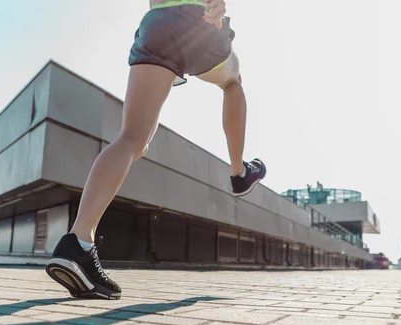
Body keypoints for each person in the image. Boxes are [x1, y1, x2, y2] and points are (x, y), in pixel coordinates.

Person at [45, 0, 267, 300]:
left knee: (131, 139)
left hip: (157, 23)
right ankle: (239, 173)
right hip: (198, 20)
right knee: (232, 79)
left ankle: (78, 242)